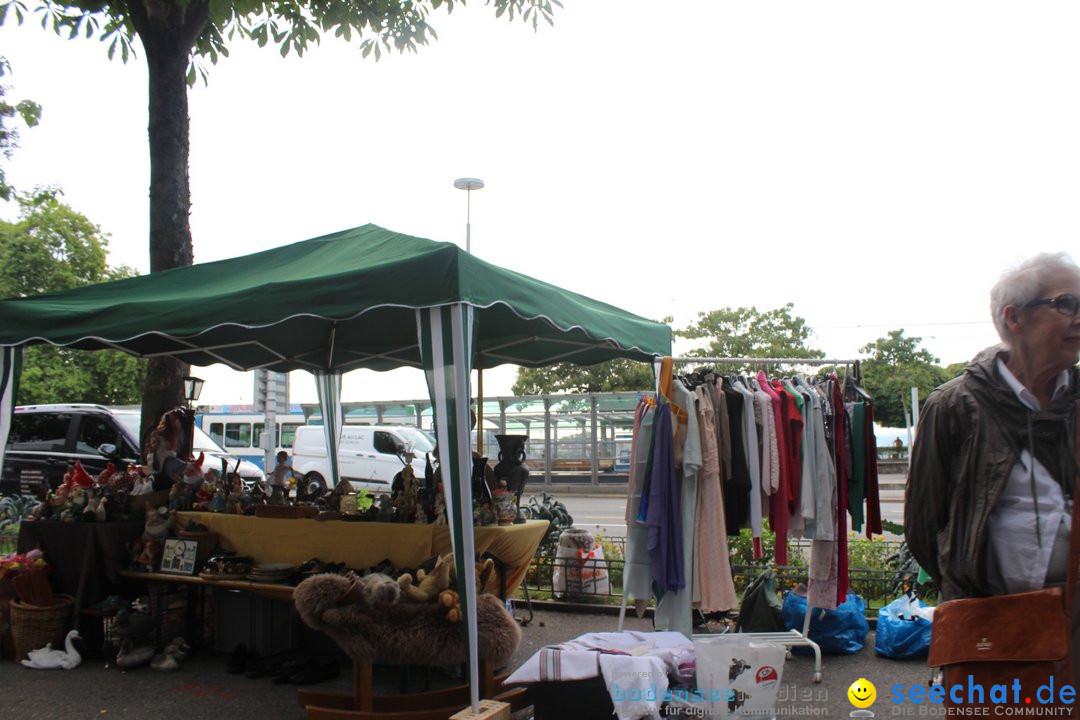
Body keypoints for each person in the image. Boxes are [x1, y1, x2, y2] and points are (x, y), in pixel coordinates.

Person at [905, 252, 1080, 671]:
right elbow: (924, 526)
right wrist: (968, 587)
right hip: (987, 626)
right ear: (1014, 318)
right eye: (1067, 304)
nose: (1079, 318)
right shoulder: (953, 407)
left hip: (1074, 624)